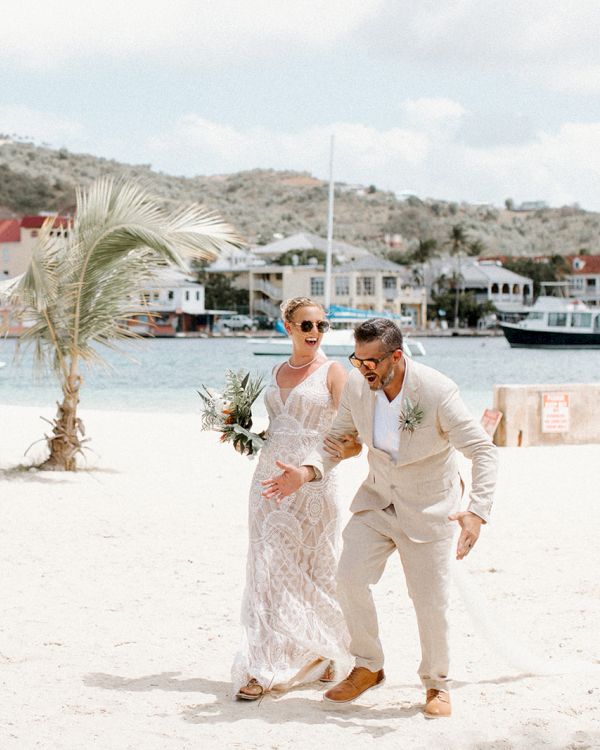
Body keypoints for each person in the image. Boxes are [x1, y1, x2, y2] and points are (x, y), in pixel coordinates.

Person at [262, 318, 498, 717]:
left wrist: (477, 511)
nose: (363, 368)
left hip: (429, 508)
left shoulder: (437, 391)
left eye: (372, 361)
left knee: (429, 602)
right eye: (357, 359)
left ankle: (437, 685)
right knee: (349, 578)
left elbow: (484, 452)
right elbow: (335, 442)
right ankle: (368, 666)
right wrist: (305, 471)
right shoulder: (358, 385)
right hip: (376, 503)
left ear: (396, 357)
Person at [233, 297, 361, 701]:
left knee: (316, 570)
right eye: (306, 325)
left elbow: (352, 436)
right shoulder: (275, 370)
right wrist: (246, 435)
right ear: (286, 327)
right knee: (266, 571)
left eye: (322, 326)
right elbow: (278, 427)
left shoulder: (335, 372)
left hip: (313, 485)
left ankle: (323, 652)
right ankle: (262, 666)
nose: (315, 333)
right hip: (267, 481)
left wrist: (309, 471)